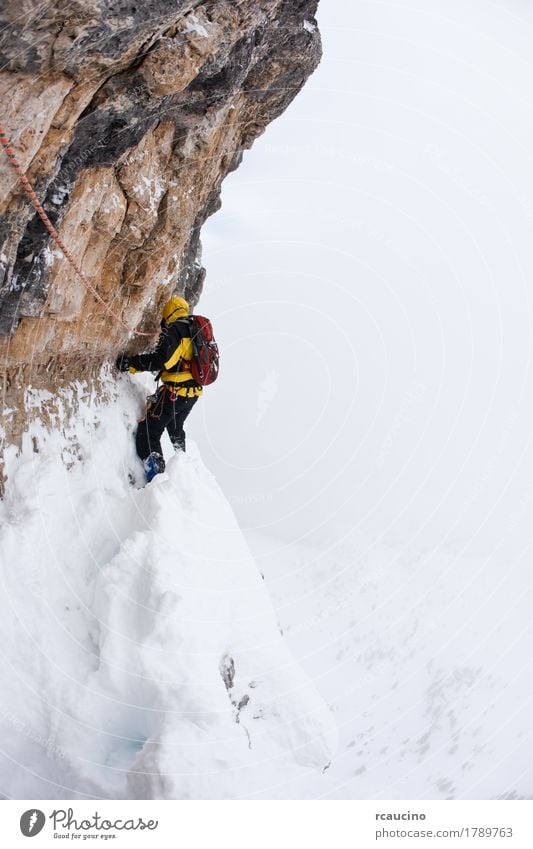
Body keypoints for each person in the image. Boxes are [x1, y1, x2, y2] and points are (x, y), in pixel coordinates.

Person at [116, 296, 202, 482]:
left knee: (148, 432)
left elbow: (162, 360)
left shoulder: (176, 330)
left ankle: (157, 478)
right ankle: (183, 460)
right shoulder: (194, 328)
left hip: (175, 394)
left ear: (168, 314)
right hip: (192, 395)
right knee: (175, 426)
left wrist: (132, 363)